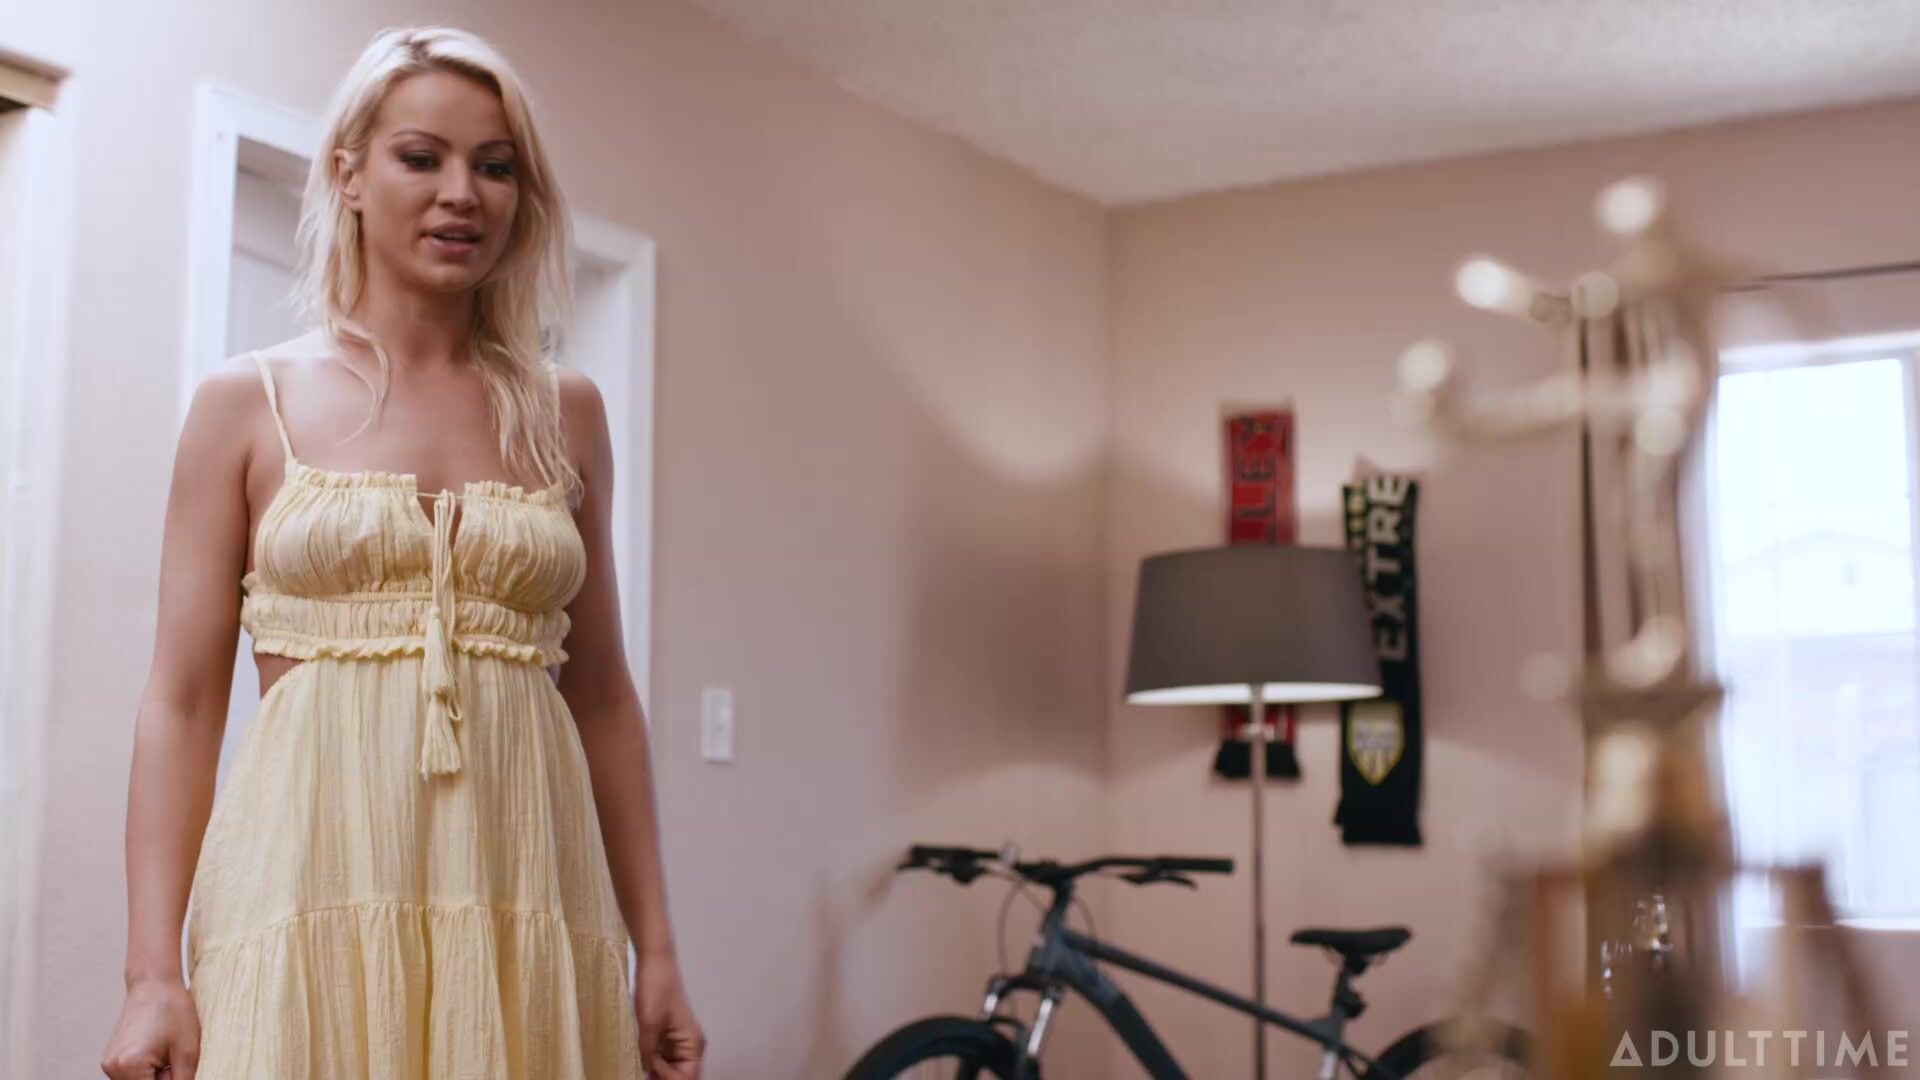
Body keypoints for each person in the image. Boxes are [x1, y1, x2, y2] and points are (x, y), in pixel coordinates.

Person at [100, 26, 704, 1079]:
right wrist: (152, 975)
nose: (462, 193)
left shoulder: (566, 414)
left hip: (525, 896)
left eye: (496, 166)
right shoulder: (248, 403)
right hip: (307, 895)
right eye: (422, 157)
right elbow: (182, 703)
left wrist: (657, 952)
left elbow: (603, 696)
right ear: (349, 175)